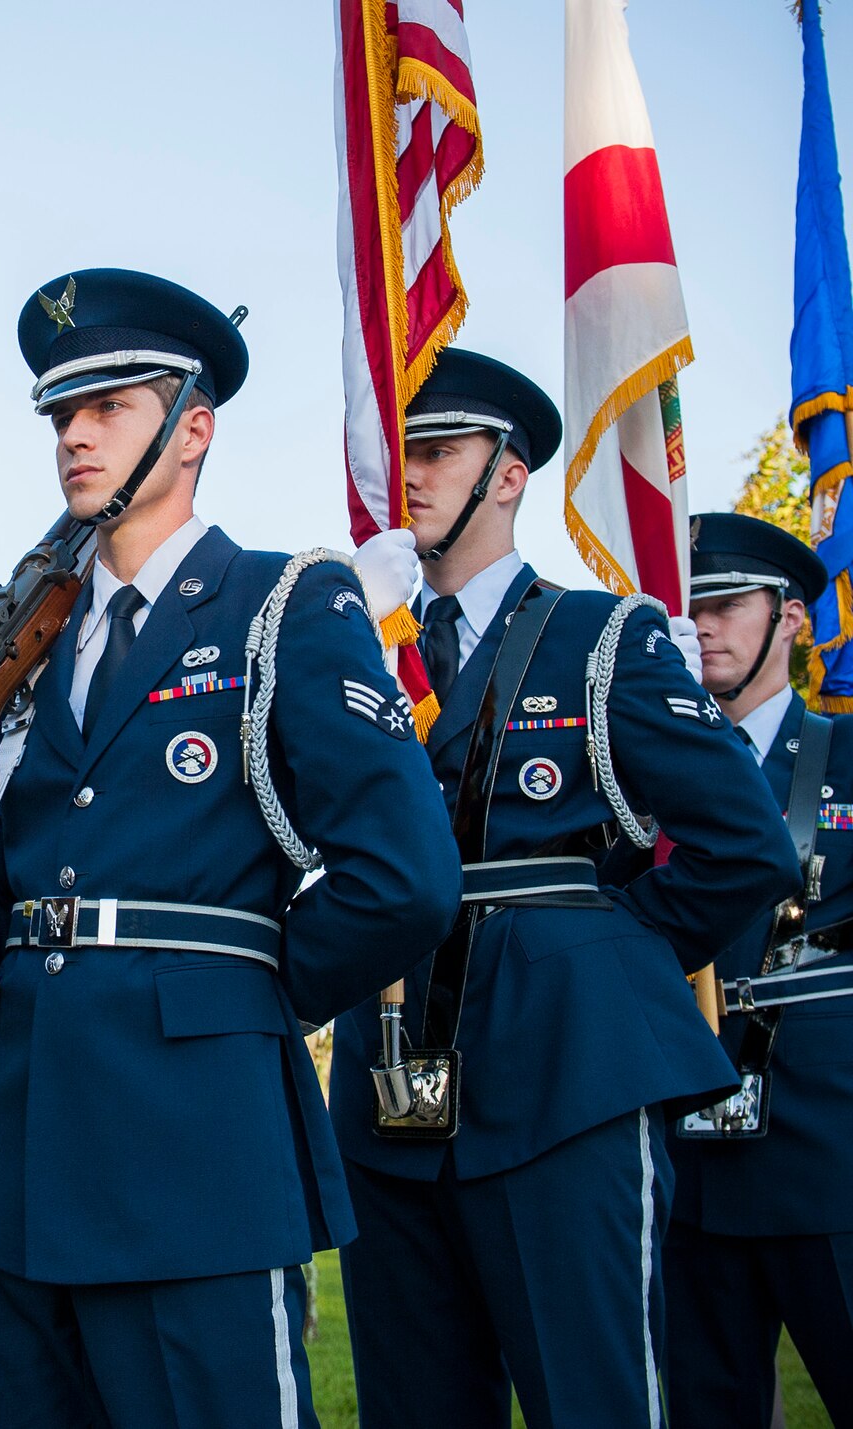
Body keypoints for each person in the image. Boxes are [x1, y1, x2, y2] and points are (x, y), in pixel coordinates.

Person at [0, 268, 461, 1428]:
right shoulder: (24, 650)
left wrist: (245, 990)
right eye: (61, 414)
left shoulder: (282, 606)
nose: (74, 434)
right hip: (21, 1152)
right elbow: (0, 911)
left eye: (109, 404)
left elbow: (402, 876)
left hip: (196, 1145)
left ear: (192, 426)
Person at [326, 350, 798, 1427]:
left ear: (507, 473)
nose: (410, 476)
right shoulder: (350, 641)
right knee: (413, 1402)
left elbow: (744, 845)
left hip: (563, 1073)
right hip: (388, 1069)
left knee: (589, 1396)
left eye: (438, 451)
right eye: (401, 453)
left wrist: (602, 951)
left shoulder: (599, 635)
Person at [663, 512, 853, 1427]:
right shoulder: (639, 770)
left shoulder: (848, 757)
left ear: (795, 621)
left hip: (829, 1148)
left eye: (729, 604)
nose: (702, 624)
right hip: (684, 1162)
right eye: (688, 605)